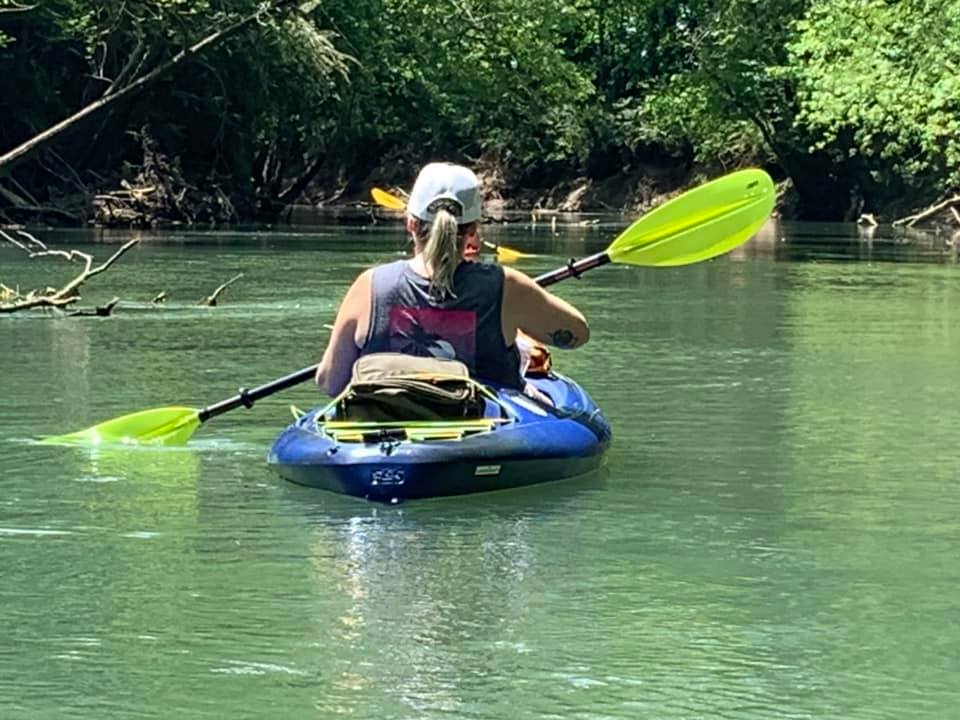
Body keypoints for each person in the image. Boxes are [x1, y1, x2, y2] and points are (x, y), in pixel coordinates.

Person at [314, 162, 589, 397]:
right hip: (482, 433)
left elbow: (329, 382)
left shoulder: (370, 285)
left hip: (387, 427)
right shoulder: (506, 286)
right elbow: (578, 334)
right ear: (473, 229)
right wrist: (518, 327)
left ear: (410, 223)